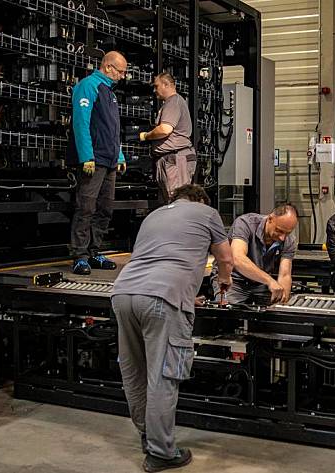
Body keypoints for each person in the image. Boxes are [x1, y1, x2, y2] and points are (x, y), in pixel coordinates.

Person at [111, 184, 233, 472]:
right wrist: (224, 281)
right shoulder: (207, 212)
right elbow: (226, 258)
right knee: (163, 376)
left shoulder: (152, 216)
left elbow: (161, 258)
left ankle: (148, 436)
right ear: (199, 200)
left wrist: (187, 295)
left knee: (135, 372)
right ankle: (161, 453)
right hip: (160, 299)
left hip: (124, 294)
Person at [68, 51, 127, 275]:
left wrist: (119, 156)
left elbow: (112, 129)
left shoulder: (109, 93)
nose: (122, 76)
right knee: (86, 207)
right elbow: (80, 122)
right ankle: (79, 256)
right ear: (108, 67)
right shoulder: (88, 86)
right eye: (120, 71)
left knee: (104, 209)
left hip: (109, 160)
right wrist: (86, 156)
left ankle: (94, 252)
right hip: (94, 160)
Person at [212, 204, 298, 305]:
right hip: (232, 281)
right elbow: (238, 259)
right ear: (270, 219)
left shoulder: (289, 240)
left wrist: (282, 301)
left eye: (287, 233)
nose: (282, 237)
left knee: (273, 314)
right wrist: (269, 281)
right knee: (229, 315)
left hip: (259, 284)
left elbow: (285, 275)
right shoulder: (245, 224)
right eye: (279, 231)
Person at [139, 72, 196, 203]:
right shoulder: (173, 102)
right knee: (173, 202)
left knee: (177, 202)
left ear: (166, 84)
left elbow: (165, 129)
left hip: (176, 159)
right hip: (172, 159)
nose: (154, 90)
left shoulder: (173, 102)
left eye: (156, 86)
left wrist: (147, 136)